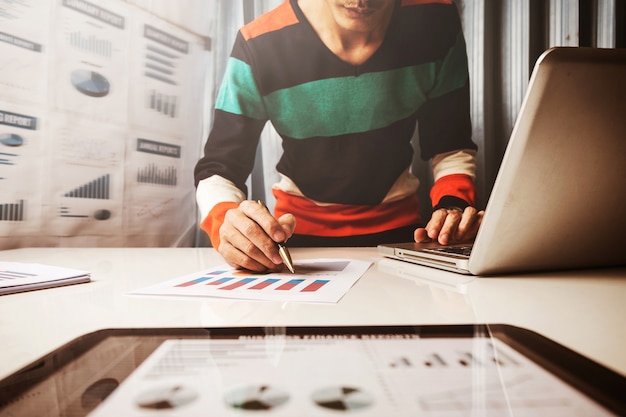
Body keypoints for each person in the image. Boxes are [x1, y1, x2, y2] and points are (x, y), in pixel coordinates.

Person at [194, 0, 484, 272]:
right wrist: (226, 223)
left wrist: (452, 209)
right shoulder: (257, 43)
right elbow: (219, 169)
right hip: (293, 238)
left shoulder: (436, 21)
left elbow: (451, 147)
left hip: (404, 238)